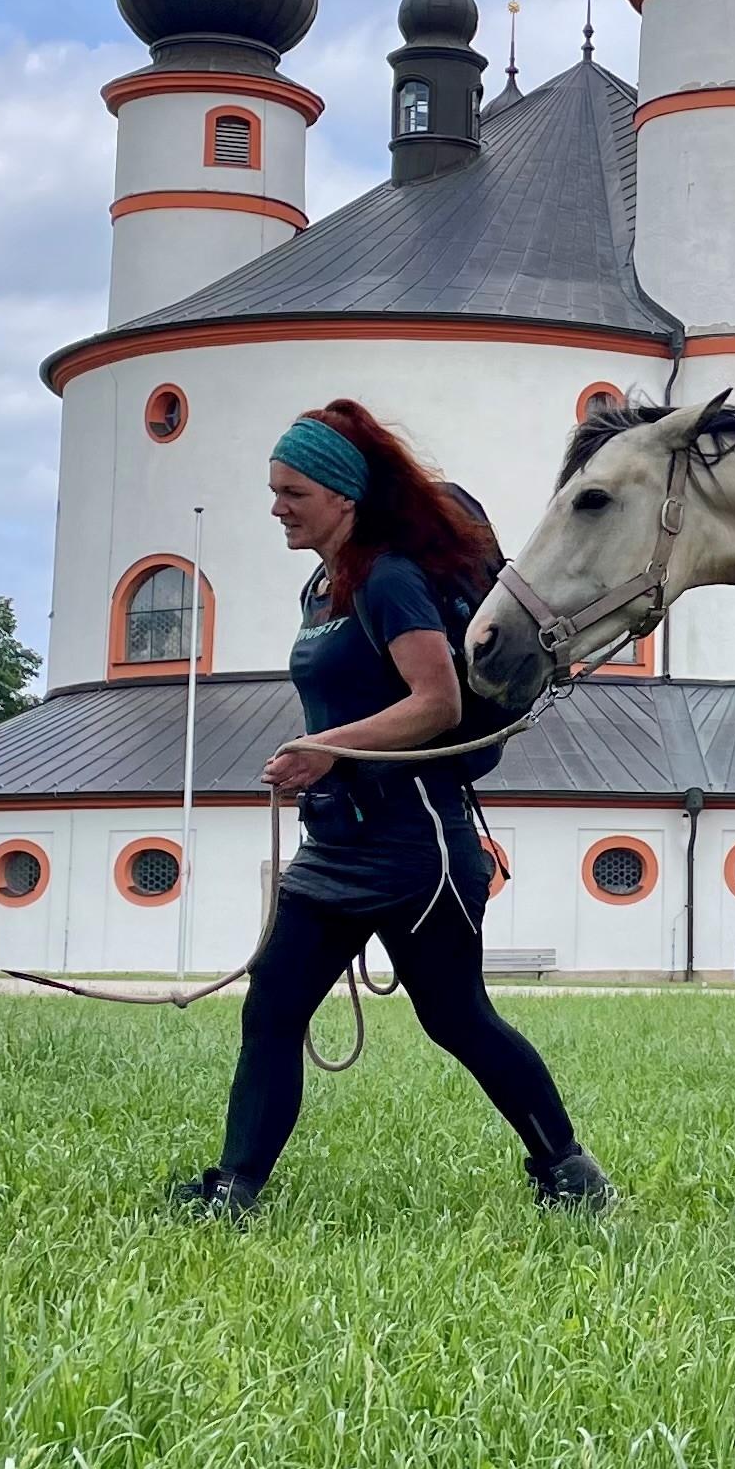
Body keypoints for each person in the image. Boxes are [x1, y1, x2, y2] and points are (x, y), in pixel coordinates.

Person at [168, 400, 612, 1218]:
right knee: (272, 1010)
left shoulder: (389, 578)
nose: (277, 508)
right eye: (274, 491)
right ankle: (233, 1191)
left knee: (457, 1019)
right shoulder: (322, 585)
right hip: (336, 845)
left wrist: (326, 748)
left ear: (344, 495)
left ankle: (569, 1169)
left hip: (416, 847)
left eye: (294, 493)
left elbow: (438, 702)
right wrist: (321, 759)